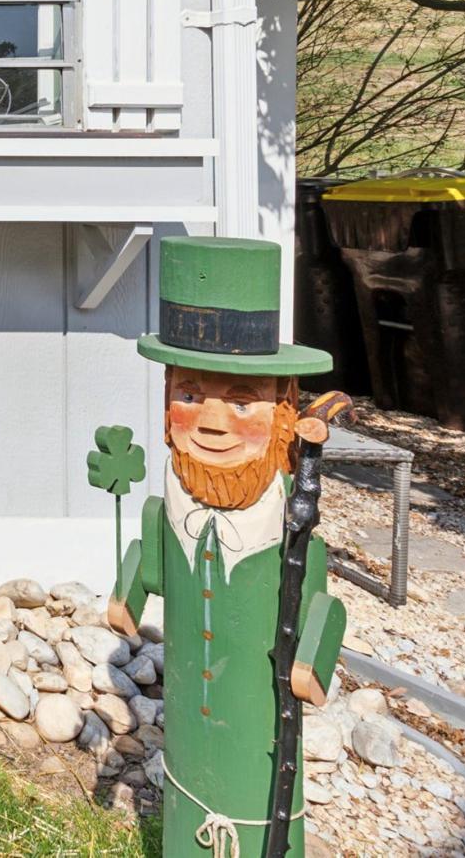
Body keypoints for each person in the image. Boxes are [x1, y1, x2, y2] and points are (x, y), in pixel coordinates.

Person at [109, 237, 345, 858]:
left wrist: (309, 664)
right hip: (190, 727)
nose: (212, 422)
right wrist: (127, 594)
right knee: (189, 815)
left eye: (242, 403)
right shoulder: (171, 510)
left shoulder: (287, 535)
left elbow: (324, 605)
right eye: (189, 395)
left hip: (257, 740)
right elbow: (148, 555)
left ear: (285, 415)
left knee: (255, 804)